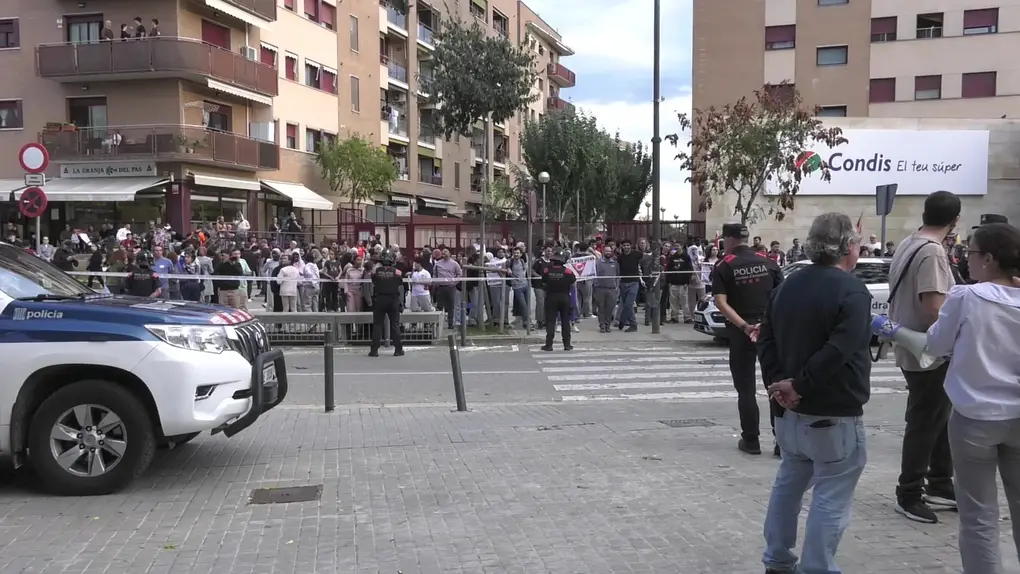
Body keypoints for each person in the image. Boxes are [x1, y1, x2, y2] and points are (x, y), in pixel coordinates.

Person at [757, 213, 871, 574]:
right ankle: (817, 567)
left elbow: (767, 339)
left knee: (788, 486)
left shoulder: (787, 285)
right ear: (849, 247)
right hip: (832, 412)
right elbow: (840, 349)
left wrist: (780, 384)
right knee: (831, 498)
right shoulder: (851, 291)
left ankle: (777, 559)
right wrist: (796, 385)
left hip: (790, 413)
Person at [925, 223, 1020, 573]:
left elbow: (935, 346)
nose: (966, 260)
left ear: (990, 259)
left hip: (975, 416)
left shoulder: (967, 297)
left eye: (972, 253)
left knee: (978, 514)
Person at [887, 190, 961, 524]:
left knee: (937, 416)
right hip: (927, 351)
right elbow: (934, 309)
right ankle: (909, 492)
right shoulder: (932, 252)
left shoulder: (908, 243)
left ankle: (941, 483)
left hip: (911, 344)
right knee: (924, 421)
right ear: (955, 221)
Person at [712, 222, 783, 455]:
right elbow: (781, 297)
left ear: (729, 240)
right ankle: (781, 442)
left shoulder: (724, 266)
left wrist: (744, 326)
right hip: (769, 331)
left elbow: (721, 303)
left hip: (741, 332)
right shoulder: (769, 262)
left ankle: (751, 440)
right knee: (775, 386)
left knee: (746, 389)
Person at [369, 252, 404, 357]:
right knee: (395, 325)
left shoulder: (376, 272)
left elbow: (373, 280)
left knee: (377, 325)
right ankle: (398, 349)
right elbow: (400, 283)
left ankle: (374, 350)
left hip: (380, 299)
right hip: (393, 300)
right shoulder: (397, 272)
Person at [540, 249, 576, 352]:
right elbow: (573, 284)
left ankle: (549, 345)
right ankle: (567, 345)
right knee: (565, 321)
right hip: (565, 297)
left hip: (551, 297)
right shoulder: (568, 271)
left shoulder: (547, 271)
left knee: (551, 321)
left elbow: (543, 283)